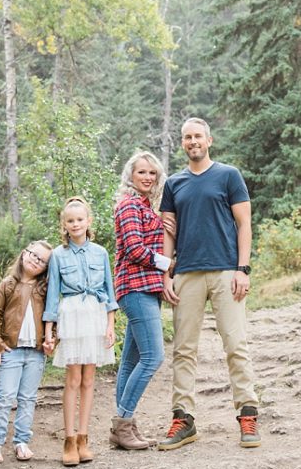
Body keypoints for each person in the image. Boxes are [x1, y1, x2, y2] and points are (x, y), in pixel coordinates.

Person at [158, 117, 261, 450]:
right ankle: (183, 419)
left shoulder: (228, 176)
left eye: (198, 136)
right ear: (183, 143)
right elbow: (168, 232)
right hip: (186, 273)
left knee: (236, 344)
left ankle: (247, 414)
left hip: (225, 272)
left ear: (209, 140)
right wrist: (166, 272)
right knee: (183, 349)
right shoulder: (174, 184)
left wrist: (242, 268)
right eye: (187, 137)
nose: (193, 141)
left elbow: (244, 224)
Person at [43, 196, 118, 466]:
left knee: (89, 379)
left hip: (95, 315)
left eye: (80, 219)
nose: (76, 224)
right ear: (64, 225)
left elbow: (109, 292)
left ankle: (84, 438)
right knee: (73, 379)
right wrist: (49, 331)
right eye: (70, 221)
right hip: (72, 315)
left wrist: (110, 325)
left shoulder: (100, 253)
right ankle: (69, 440)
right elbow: (52, 296)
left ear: (89, 222)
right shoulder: (58, 255)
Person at [111, 151, 174, 450]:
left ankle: (125, 427)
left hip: (145, 288)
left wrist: (164, 225)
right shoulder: (128, 205)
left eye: (153, 173)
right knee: (153, 357)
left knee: (132, 360)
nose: (148, 177)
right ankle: (122, 422)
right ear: (131, 176)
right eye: (142, 173)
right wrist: (166, 264)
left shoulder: (147, 206)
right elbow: (135, 249)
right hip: (134, 287)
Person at [0, 240, 55, 463]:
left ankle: (22, 441)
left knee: (28, 398)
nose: (36, 261)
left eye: (42, 260)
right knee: (5, 397)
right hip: (11, 350)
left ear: (46, 267)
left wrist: (52, 340)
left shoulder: (45, 289)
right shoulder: (7, 284)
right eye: (34, 255)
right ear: (24, 254)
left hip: (35, 352)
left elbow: (53, 317)